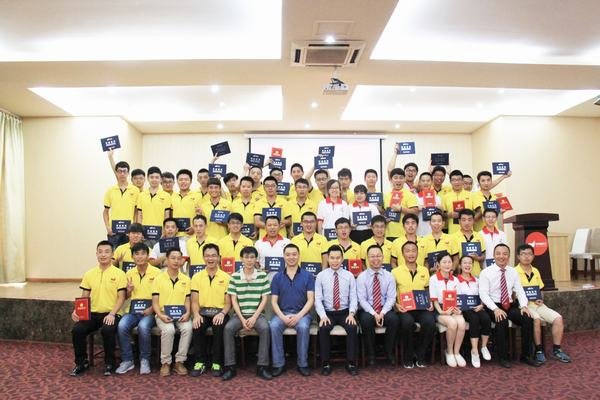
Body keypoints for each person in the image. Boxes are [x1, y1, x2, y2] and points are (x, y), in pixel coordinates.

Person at [478, 243, 541, 368]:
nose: (501, 256)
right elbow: (483, 294)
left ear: (509, 256)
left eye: (505, 254)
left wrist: (524, 306)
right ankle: (503, 357)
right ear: (494, 256)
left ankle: (526, 355)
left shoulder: (513, 272)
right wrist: (495, 309)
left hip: (509, 305)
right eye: (498, 254)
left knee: (527, 318)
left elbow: (520, 291)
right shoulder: (486, 272)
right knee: (502, 320)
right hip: (493, 305)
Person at [70, 241, 127, 376]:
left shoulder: (120, 274)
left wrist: (112, 314)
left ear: (112, 254)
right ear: (96, 254)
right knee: (77, 330)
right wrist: (77, 310)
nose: (103, 255)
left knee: (107, 330)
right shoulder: (89, 274)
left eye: (107, 252)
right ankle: (81, 362)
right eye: (100, 252)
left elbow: (121, 297)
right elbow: (84, 296)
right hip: (93, 313)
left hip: (113, 313)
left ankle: (110, 362)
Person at [514, 244, 571, 363]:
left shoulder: (535, 271)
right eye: (523, 254)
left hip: (538, 304)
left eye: (529, 254)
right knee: (536, 319)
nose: (526, 257)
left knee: (558, 318)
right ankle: (538, 351)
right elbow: (513, 294)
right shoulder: (514, 272)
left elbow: (540, 290)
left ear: (533, 256)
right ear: (518, 256)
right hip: (524, 306)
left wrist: (540, 298)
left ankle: (557, 349)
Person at [222, 246, 273, 380]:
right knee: (228, 328)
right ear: (241, 259)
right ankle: (230, 366)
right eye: (246, 257)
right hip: (239, 315)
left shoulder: (262, 276)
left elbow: (264, 299)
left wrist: (254, 317)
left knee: (265, 328)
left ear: (256, 259)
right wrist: (242, 319)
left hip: (258, 315)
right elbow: (234, 300)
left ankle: (262, 366)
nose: (249, 260)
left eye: (252, 257)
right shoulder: (235, 276)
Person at [270, 243, 316, 377]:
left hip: (303, 314)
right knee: (273, 326)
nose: (291, 257)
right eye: (288, 255)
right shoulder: (277, 277)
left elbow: (311, 300)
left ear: (299, 256)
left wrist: (298, 316)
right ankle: (279, 364)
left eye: (294, 254)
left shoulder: (308, 276)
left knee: (303, 327)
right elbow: (273, 302)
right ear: (283, 257)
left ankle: (303, 364)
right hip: (282, 313)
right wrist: (283, 317)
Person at [116, 242, 161, 375]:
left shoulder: (157, 273)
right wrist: (129, 290)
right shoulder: (129, 273)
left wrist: (152, 309)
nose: (140, 257)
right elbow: (126, 296)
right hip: (133, 311)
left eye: (143, 254)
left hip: (151, 311)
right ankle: (127, 360)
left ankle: (144, 360)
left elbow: (162, 296)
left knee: (143, 326)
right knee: (122, 326)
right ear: (132, 257)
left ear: (148, 256)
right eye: (137, 254)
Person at [315, 245, 359, 376]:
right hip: (327, 313)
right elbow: (318, 299)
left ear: (342, 259)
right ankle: (326, 363)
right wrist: (322, 316)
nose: (335, 261)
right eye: (332, 258)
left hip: (345, 312)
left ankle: (351, 362)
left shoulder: (349, 275)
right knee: (324, 328)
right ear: (327, 259)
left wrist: (352, 314)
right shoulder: (321, 276)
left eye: (338, 258)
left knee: (352, 327)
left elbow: (354, 297)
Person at [190, 243, 232, 377]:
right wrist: (196, 315)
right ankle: (199, 362)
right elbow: (194, 301)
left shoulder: (226, 277)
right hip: (202, 312)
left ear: (219, 257)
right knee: (198, 325)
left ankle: (216, 362)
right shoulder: (196, 277)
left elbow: (228, 303)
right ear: (203, 258)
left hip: (220, 312)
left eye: (213, 255)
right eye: (207, 256)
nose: (210, 258)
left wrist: (222, 313)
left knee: (219, 325)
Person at [392, 241, 435, 368]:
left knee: (430, 322)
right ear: (402, 254)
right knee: (407, 323)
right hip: (404, 308)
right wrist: (396, 305)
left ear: (417, 253)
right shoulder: (395, 271)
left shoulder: (424, 270)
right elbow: (391, 293)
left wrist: (430, 302)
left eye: (413, 251)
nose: (411, 254)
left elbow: (427, 289)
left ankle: (420, 353)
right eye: (407, 251)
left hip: (421, 307)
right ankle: (408, 355)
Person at [152, 248, 193, 376]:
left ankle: (179, 361)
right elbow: (155, 302)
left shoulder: (186, 279)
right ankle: (166, 362)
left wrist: (187, 313)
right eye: (173, 258)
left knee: (188, 328)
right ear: (167, 260)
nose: (176, 261)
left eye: (178, 258)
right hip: (163, 314)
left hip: (181, 314)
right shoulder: (158, 279)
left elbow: (187, 300)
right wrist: (160, 315)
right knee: (169, 330)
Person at [356, 245, 399, 366]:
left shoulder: (389, 276)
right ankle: (371, 354)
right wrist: (374, 313)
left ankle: (388, 352)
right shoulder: (362, 277)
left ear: (383, 257)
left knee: (394, 320)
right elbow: (362, 299)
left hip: (384, 308)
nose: (376, 259)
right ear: (367, 258)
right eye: (372, 256)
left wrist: (382, 313)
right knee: (366, 320)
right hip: (367, 310)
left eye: (378, 256)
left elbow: (391, 298)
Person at [429, 253, 466, 368]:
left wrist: (459, 310)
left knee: (462, 322)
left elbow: (459, 298)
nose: (447, 264)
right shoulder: (433, 279)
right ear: (438, 264)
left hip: (453, 308)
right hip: (439, 309)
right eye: (444, 262)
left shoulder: (455, 279)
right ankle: (449, 352)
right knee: (452, 323)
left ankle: (456, 352)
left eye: (449, 262)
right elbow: (434, 299)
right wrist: (441, 311)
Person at [456, 255, 491, 368]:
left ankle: (484, 347)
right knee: (474, 319)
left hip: (477, 307)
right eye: (465, 263)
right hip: (464, 309)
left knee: (486, 318)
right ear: (460, 265)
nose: (467, 265)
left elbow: (484, 294)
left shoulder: (477, 280)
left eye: (470, 263)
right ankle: (475, 351)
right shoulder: (456, 280)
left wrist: (482, 305)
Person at [103, 161, 140, 248]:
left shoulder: (135, 190)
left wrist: (134, 229)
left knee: (129, 254)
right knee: (114, 255)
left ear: (128, 173)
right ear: (116, 173)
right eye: (120, 171)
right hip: (114, 232)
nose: (122, 174)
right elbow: (105, 212)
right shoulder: (110, 190)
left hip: (129, 232)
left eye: (124, 171)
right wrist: (108, 227)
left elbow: (137, 212)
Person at [136, 166, 171, 247]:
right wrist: (139, 232)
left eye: (157, 177)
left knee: (159, 254)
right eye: (151, 177)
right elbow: (139, 216)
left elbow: (166, 216)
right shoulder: (141, 195)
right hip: (145, 234)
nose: (154, 180)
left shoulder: (166, 196)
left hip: (160, 233)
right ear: (148, 179)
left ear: (160, 179)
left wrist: (164, 231)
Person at [383, 168, 418, 241]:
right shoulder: (386, 195)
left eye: (401, 178)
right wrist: (384, 218)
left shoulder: (409, 195)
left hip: (404, 235)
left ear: (405, 179)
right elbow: (384, 212)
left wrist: (401, 209)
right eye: (395, 178)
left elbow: (415, 212)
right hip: (387, 234)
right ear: (391, 180)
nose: (398, 180)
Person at [450, 209, 486, 276]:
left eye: (469, 220)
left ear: (473, 221)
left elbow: (483, 255)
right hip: (460, 276)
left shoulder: (479, 236)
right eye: (463, 220)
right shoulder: (452, 238)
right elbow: (453, 259)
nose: (467, 223)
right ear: (459, 221)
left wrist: (478, 258)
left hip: (477, 275)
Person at [170, 169, 203, 236]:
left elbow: (201, 215)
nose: (183, 182)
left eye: (186, 179)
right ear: (177, 181)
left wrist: (194, 227)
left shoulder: (198, 195)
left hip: (192, 235)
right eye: (181, 179)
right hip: (175, 235)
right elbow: (170, 215)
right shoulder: (172, 196)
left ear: (190, 181)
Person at [441, 170, 473, 235]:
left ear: (462, 181)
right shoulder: (446, 197)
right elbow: (442, 214)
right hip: (452, 233)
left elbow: (478, 212)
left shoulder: (471, 195)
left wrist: (470, 219)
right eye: (454, 180)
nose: (456, 182)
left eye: (459, 179)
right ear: (450, 182)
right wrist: (448, 215)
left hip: (469, 232)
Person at [415, 172, 442, 236]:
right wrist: (417, 209)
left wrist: (442, 209)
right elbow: (411, 215)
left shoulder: (437, 198)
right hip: (420, 231)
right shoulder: (414, 197)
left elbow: (441, 215)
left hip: (434, 232)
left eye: (428, 181)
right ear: (419, 183)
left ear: (432, 182)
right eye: (423, 181)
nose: (425, 183)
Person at [231, 176, 257, 240]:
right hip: (237, 239)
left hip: (253, 239)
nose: (246, 189)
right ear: (240, 188)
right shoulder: (233, 203)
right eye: (243, 186)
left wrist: (257, 231)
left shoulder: (258, 203)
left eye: (248, 187)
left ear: (252, 188)